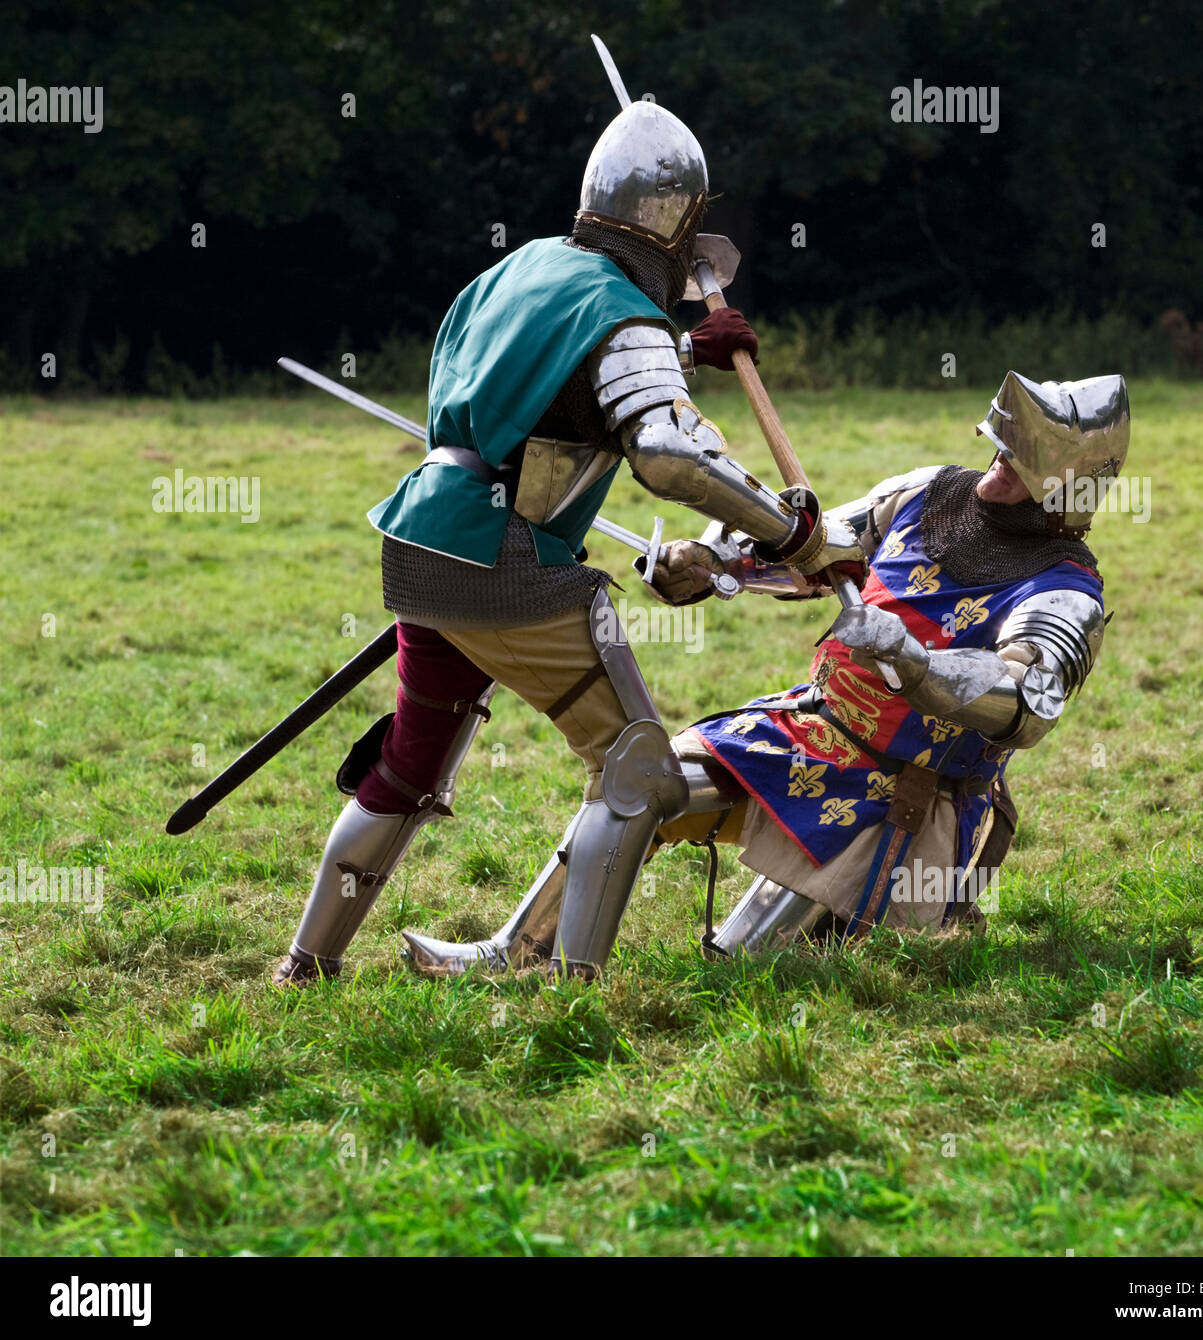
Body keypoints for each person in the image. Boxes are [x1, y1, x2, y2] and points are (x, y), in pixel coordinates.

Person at [273, 98, 860, 986]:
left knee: (409, 760)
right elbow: (663, 455)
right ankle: (570, 983)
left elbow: (540, 375)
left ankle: (307, 961)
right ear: (678, 224)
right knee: (641, 774)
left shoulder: (520, 269)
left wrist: (687, 352)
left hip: (419, 540)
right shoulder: (628, 316)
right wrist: (794, 531)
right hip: (508, 567)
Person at [402, 371, 1129, 972]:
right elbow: (817, 548)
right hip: (810, 728)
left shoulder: (1066, 591)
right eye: (1000, 450)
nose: (995, 466)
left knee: (741, 972)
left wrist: (911, 658)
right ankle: (520, 953)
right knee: (639, 783)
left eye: (1017, 463)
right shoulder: (932, 491)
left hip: (900, 798)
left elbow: (1026, 702)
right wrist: (712, 561)